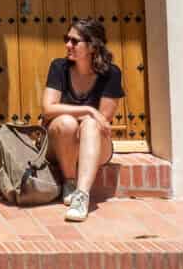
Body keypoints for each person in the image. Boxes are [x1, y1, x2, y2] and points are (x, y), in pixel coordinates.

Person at [40, 17, 123, 223]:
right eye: (67, 39)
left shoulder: (111, 73)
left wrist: (90, 117)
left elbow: (103, 120)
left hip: (95, 144)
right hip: (60, 143)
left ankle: (81, 196)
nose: (68, 45)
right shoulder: (59, 67)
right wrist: (87, 109)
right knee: (66, 122)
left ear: (93, 46)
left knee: (91, 124)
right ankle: (68, 181)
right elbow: (48, 109)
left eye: (75, 41)